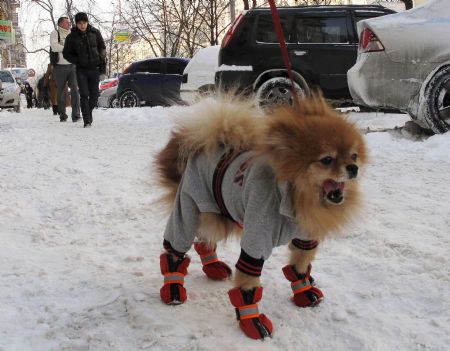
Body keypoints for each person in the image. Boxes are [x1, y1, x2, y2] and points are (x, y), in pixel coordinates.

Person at [63, 12, 106, 128]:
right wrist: (77, 60)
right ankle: (87, 120)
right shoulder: (71, 37)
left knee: (95, 95)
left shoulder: (95, 32)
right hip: (81, 70)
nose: (82, 25)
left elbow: (102, 47)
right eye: (80, 23)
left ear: (87, 22)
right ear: (76, 24)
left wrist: (101, 60)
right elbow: (66, 53)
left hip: (94, 68)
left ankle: (88, 112)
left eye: (84, 23)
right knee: (84, 94)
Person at [50, 16, 81, 122]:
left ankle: (76, 115)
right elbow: (54, 47)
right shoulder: (55, 33)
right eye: (67, 22)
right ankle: (63, 115)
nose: (69, 24)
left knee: (75, 90)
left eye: (69, 22)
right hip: (59, 67)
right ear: (60, 24)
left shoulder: (72, 34)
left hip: (72, 66)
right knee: (61, 91)